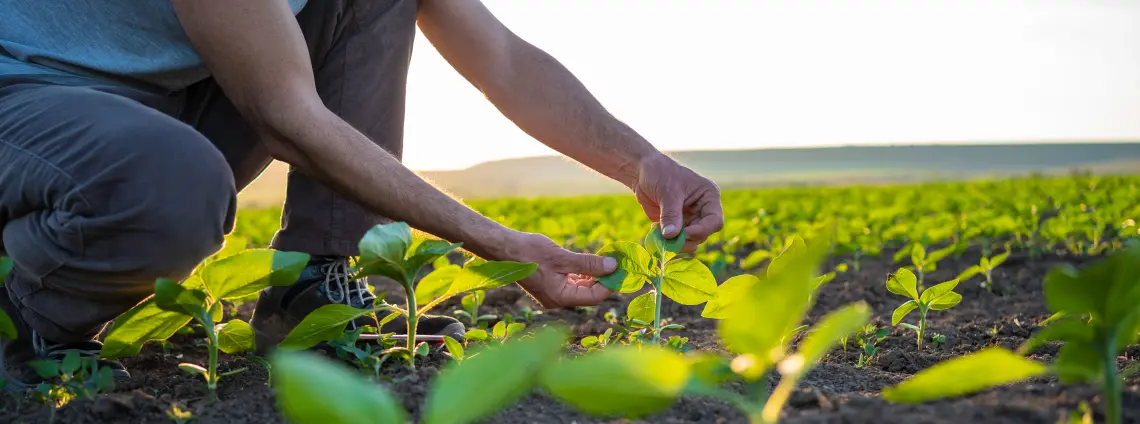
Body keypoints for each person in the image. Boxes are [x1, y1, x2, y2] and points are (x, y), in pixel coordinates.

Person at [0, 0, 724, 389]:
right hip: (29, 101)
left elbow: (501, 58)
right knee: (167, 185)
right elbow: (291, 120)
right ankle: (27, 316)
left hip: (156, 101)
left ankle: (314, 286)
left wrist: (643, 163)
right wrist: (504, 249)